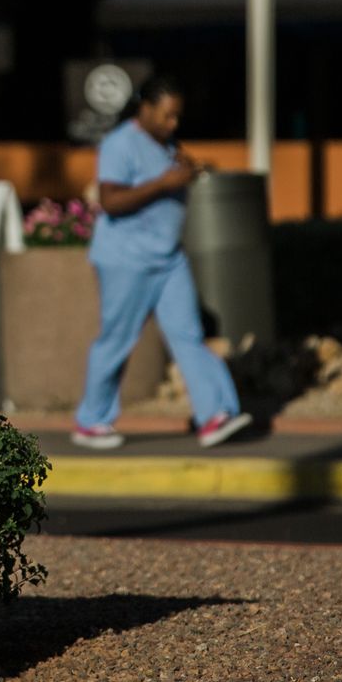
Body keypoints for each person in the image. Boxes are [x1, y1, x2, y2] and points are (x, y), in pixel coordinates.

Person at [73, 75, 252, 450]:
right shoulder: (119, 144)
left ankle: (215, 415)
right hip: (126, 259)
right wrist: (165, 183)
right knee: (117, 341)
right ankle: (91, 422)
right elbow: (110, 200)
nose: (174, 124)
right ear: (147, 109)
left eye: (178, 117)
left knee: (188, 336)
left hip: (168, 259)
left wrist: (189, 171)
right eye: (168, 116)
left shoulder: (167, 143)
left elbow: (172, 176)